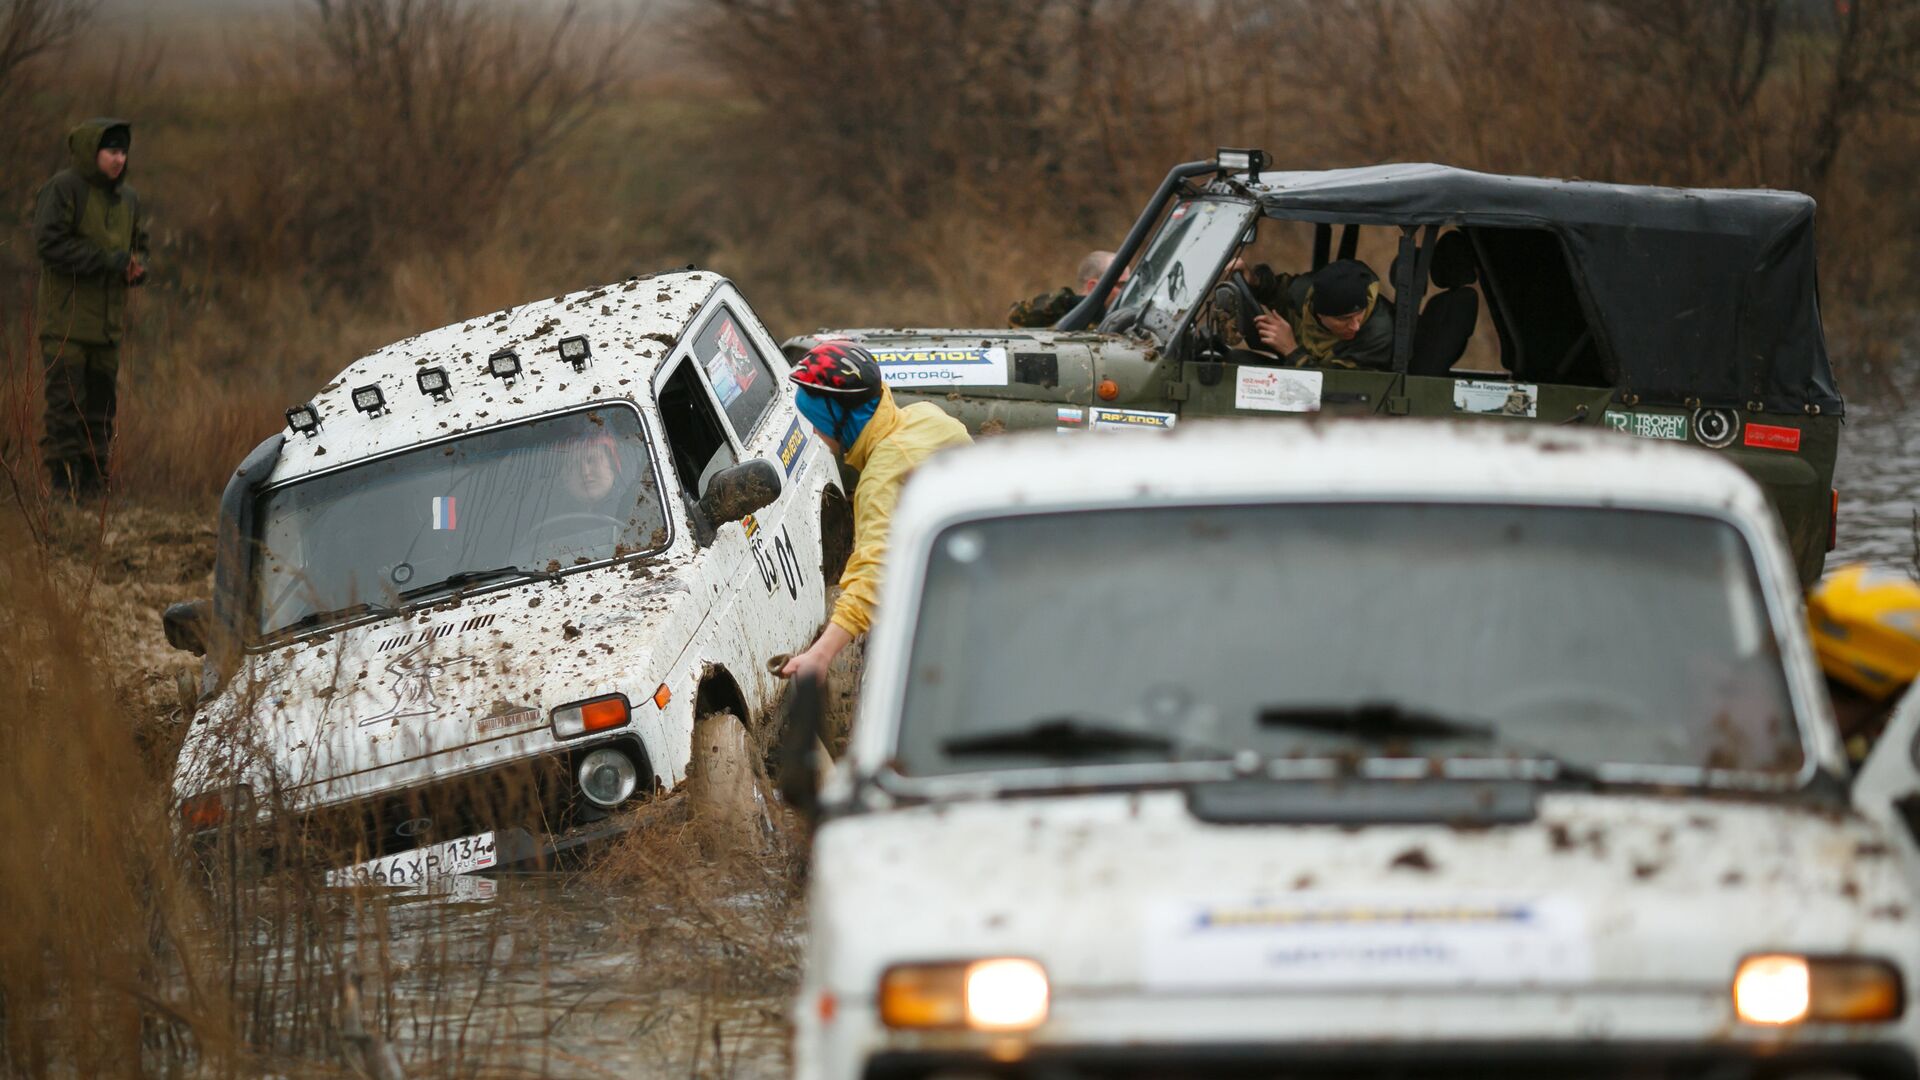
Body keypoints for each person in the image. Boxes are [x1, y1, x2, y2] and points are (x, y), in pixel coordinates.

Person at [779, 342, 972, 682]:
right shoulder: (927, 415)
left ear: (837, 416)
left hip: (963, 622)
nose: (814, 432)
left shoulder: (881, 478)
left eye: (816, 420)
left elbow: (875, 570)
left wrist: (820, 654)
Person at [34, 117, 149, 498]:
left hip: (107, 327)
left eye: (123, 152)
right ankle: (63, 491)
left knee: (101, 415)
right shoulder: (64, 189)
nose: (119, 159)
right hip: (65, 324)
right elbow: (50, 245)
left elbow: (139, 242)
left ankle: (93, 490)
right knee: (65, 411)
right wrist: (108, 260)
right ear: (92, 153)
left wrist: (136, 265)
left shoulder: (128, 198)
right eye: (111, 151)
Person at [1249, 258, 1393, 371]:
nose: (1355, 326)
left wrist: (1291, 350)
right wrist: (1253, 281)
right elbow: (1276, 291)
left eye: (1359, 314)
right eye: (1344, 319)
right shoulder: (1303, 293)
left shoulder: (1377, 335)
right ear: (1320, 314)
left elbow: (1337, 392)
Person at [1007, 250, 1125, 328]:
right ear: (1093, 287)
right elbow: (1015, 317)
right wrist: (1068, 302)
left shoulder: (1124, 319)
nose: (1125, 291)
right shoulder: (1061, 317)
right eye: (1120, 285)